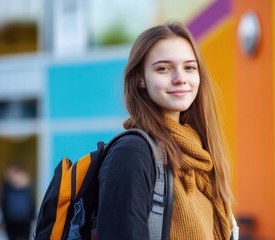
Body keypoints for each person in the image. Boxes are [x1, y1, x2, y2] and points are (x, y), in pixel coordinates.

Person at [97, 21, 238, 239]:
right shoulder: (133, 153)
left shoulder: (200, 158)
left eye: (189, 67)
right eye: (163, 68)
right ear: (141, 79)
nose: (180, 78)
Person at [1, 161, 35, 240]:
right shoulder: (27, 182)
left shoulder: (8, 185)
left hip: (12, 221)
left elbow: (4, 203)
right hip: (24, 220)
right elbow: (31, 202)